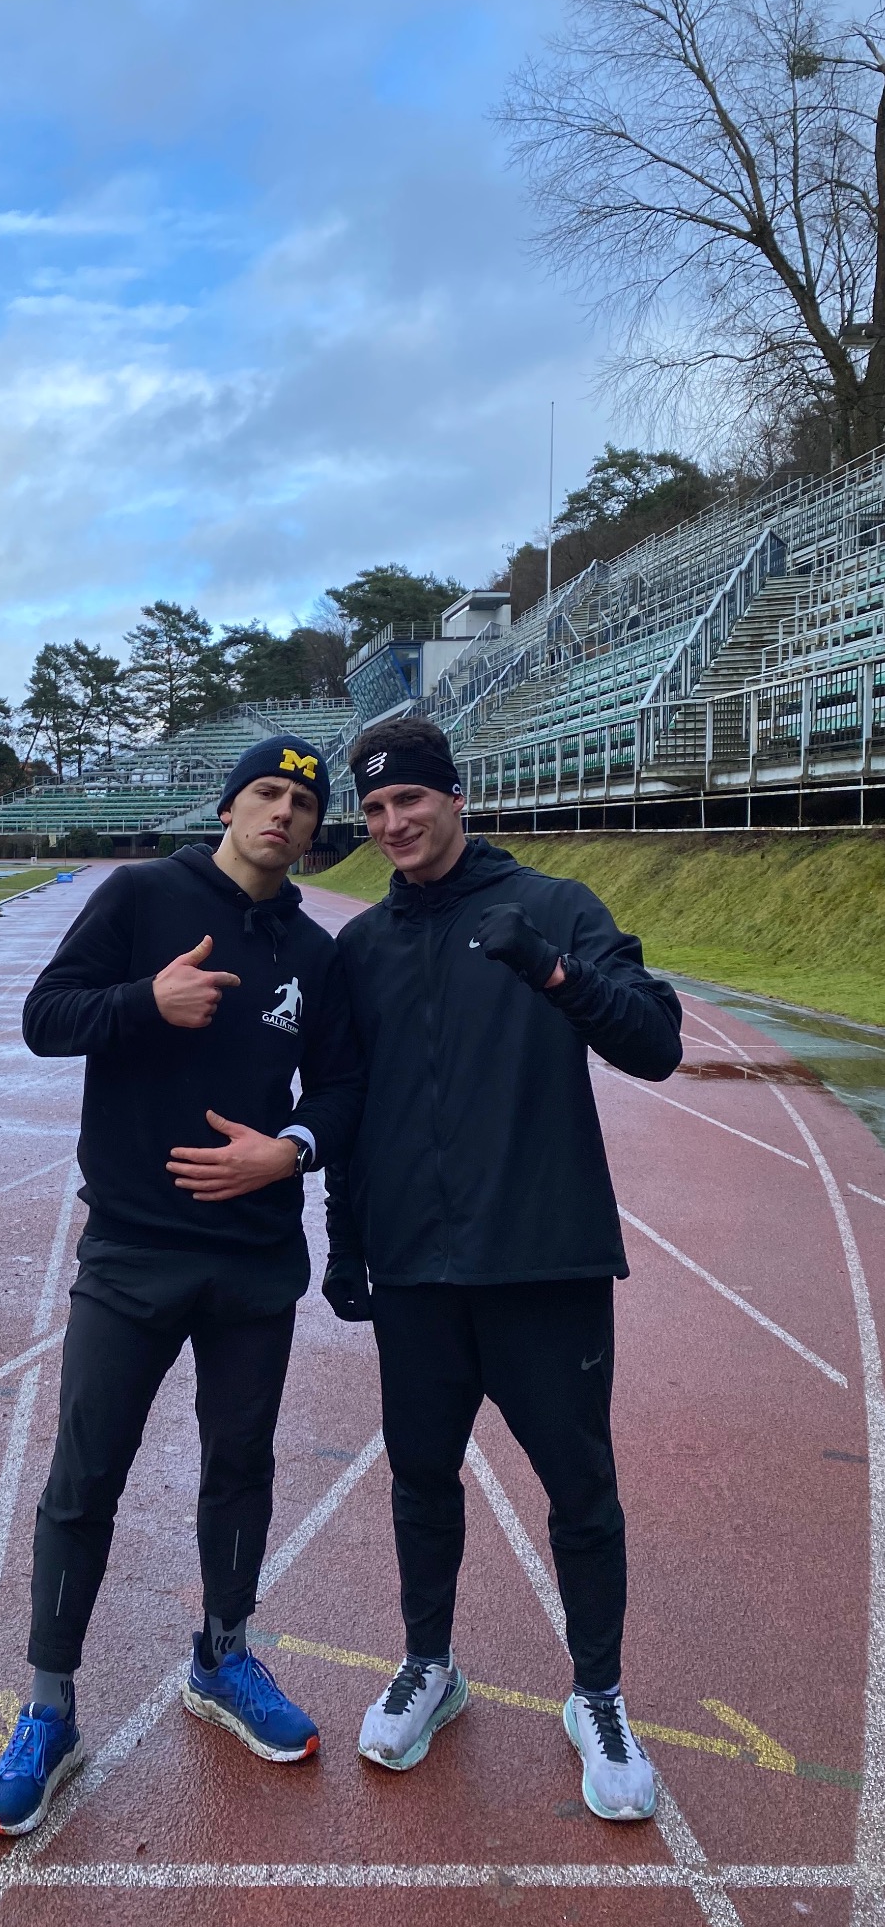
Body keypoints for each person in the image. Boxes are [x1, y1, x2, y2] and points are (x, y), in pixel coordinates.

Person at [0, 738, 363, 1836]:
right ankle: (49, 1707)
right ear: (230, 804)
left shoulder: (313, 952)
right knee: (85, 1471)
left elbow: (341, 1085)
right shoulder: (143, 895)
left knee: (239, 1463)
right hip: (135, 1248)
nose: (282, 813)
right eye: (266, 793)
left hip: (254, 1251)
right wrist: (148, 998)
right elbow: (46, 1018)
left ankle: (224, 1655)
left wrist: (289, 1148)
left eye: (301, 800)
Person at [322, 715, 681, 1823]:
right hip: (418, 1273)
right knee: (422, 1476)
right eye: (375, 810)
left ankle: (599, 1697)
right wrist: (343, 1239)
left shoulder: (556, 905)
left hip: (542, 1261)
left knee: (581, 1492)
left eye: (410, 801)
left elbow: (655, 1043)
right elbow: (349, 1106)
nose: (394, 825)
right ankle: (432, 1662)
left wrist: (555, 968)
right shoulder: (364, 948)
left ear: (454, 795)